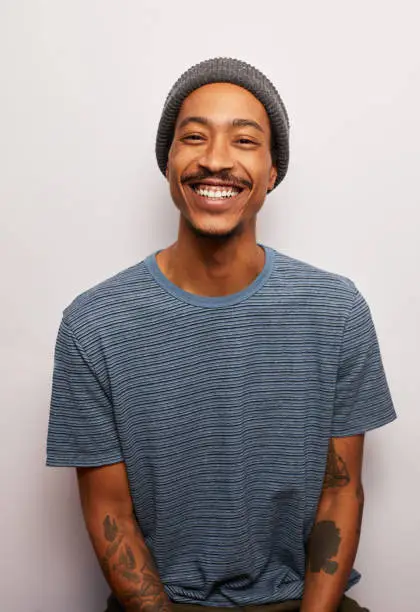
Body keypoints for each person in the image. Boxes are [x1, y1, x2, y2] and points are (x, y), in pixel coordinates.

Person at [46, 57, 397, 612]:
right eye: (193, 137)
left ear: (273, 172)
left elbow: (340, 491)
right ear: (168, 163)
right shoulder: (95, 324)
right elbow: (109, 510)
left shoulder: (336, 311)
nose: (215, 160)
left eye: (244, 141)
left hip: (305, 600)